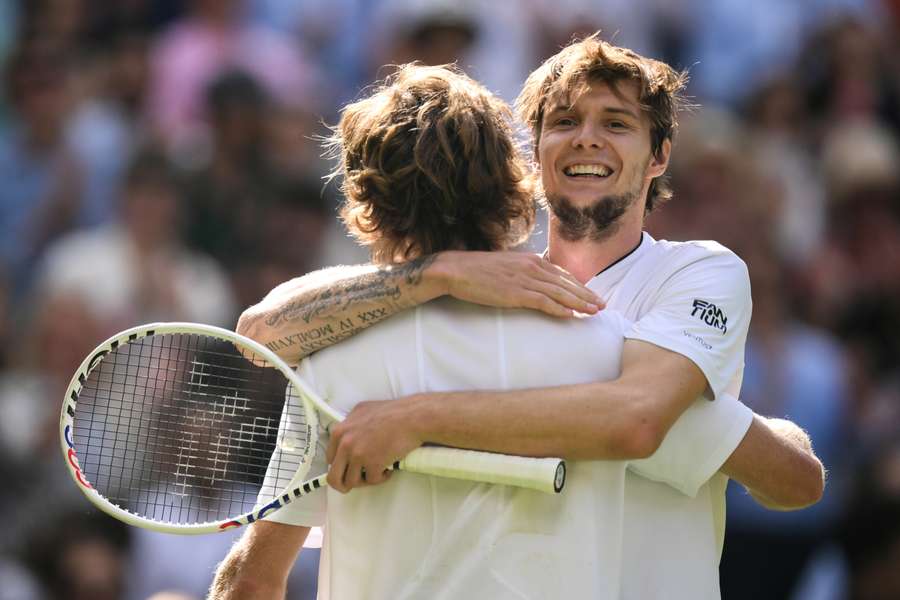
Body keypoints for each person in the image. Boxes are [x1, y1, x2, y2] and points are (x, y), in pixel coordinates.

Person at [213, 37, 823, 599]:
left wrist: (413, 418)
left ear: (660, 155)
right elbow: (259, 332)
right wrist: (440, 275)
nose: (586, 138)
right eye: (564, 122)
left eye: (616, 123)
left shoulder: (700, 276)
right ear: (528, 158)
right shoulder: (607, 348)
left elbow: (643, 421)